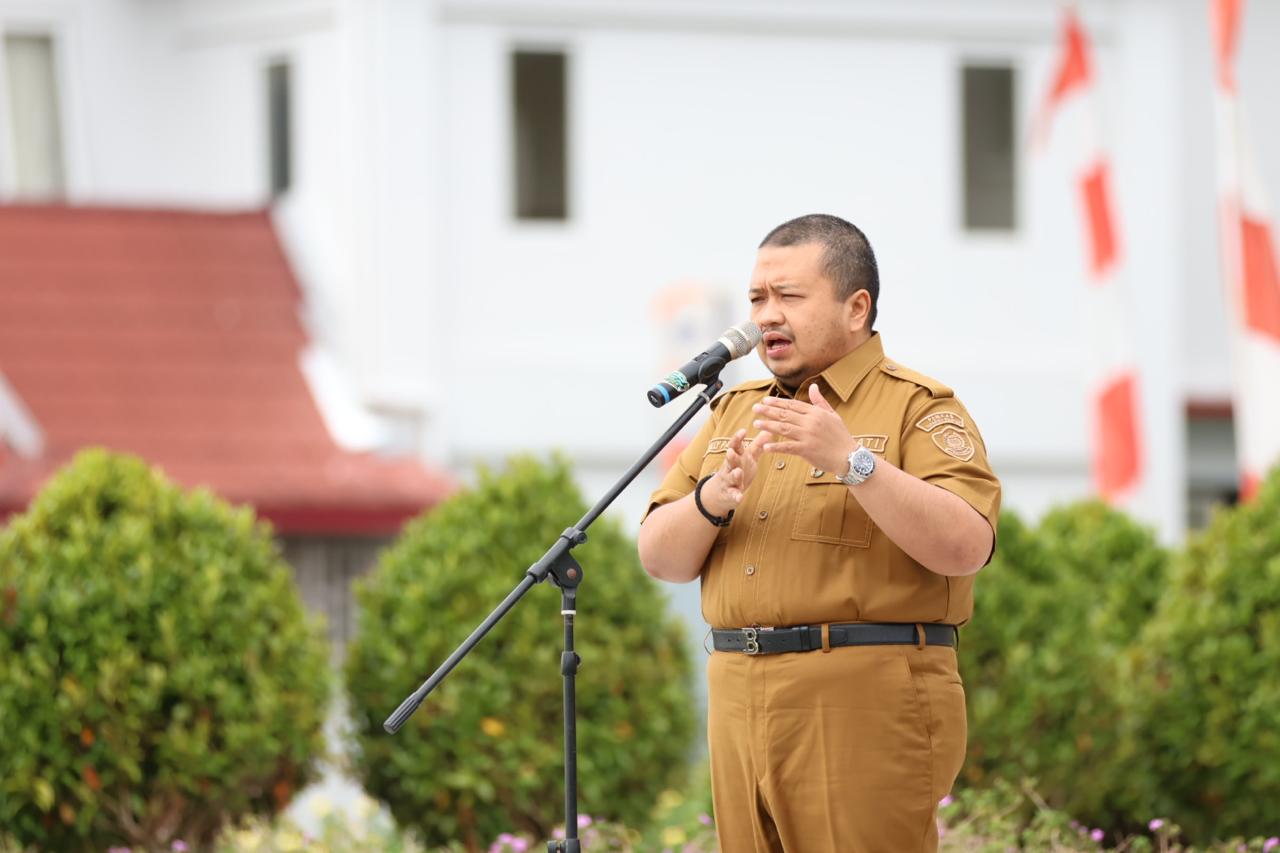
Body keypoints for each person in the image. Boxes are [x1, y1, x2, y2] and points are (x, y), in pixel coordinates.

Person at [637, 214, 1001, 852]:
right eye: (757, 299)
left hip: (862, 698)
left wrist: (851, 462)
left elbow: (966, 545)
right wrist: (713, 498)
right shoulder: (734, 410)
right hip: (739, 690)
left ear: (856, 308)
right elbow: (660, 557)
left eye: (789, 296)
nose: (766, 316)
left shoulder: (917, 406)